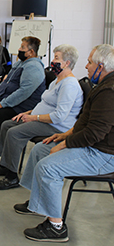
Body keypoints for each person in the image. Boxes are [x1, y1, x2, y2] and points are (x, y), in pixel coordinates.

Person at [13, 44, 114, 242]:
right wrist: (65, 135)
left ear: (101, 66)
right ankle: (38, 204)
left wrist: (66, 143)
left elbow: (93, 134)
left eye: (90, 63)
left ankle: (56, 227)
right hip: (94, 146)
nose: (86, 67)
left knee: (47, 168)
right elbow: (86, 122)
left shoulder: (109, 92)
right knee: (41, 149)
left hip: (104, 155)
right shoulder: (103, 86)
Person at [0, 44, 83, 190]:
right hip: (41, 118)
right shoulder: (58, 81)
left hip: (55, 126)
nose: (53, 62)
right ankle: (5, 165)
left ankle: (12, 177)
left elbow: (59, 116)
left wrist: (34, 118)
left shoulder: (69, 85)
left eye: (57, 58)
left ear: (67, 63)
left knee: (15, 133)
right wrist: (29, 113)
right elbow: (46, 103)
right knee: (7, 125)